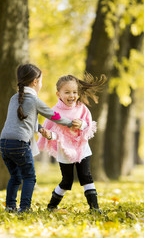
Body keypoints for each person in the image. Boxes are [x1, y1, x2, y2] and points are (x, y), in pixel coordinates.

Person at [0, 64, 80, 213]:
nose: (41, 85)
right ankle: (24, 209)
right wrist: (70, 123)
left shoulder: (13, 98)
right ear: (35, 82)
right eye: (41, 81)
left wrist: (38, 127)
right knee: (29, 177)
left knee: (15, 177)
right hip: (19, 143)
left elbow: (21, 119)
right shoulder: (34, 100)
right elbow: (53, 115)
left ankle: (10, 207)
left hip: (4, 143)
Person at [37, 73, 106, 213]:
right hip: (65, 149)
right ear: (58, 94)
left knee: (86, 177)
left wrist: (81, 124)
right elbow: (54, 132)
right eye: (67, 92)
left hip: (81, 147)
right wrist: (49, 135)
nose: (72, 96)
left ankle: (95, 208)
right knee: (67, 181)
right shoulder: (55, 111)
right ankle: (51, 206)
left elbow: (88, 125)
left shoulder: (81, 108)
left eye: (74, 92)